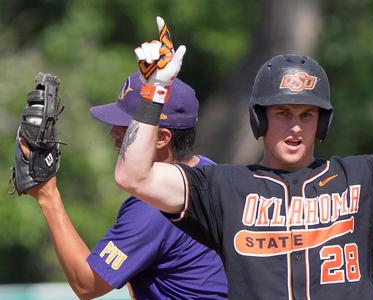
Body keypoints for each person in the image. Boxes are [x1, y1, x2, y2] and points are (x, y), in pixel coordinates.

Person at [116, 11, 373, 299]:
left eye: (307, 115)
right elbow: (134, 176)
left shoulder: (363, 177)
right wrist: (154, 93)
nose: (295, 126)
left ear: (322, 123)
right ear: (259, 118)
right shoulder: (224, 189)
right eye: (282, 113)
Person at [23, 72, 228, 299]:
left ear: (161, 138)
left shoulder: (154, 208)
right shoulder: (209, 173)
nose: (114, 133)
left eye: (129, 127)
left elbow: (88, 284)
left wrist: (47, 195)